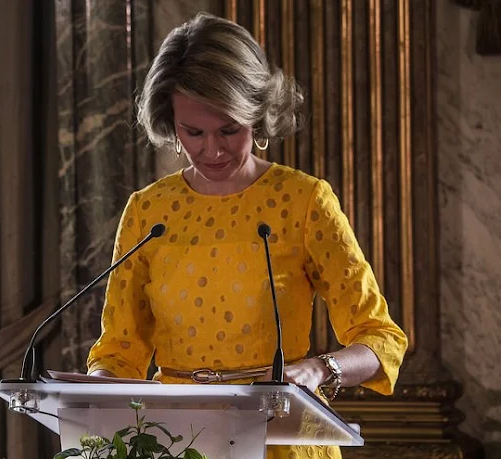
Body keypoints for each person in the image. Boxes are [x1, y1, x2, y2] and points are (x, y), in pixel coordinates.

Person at [87, 12, 408, 459]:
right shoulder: (147, 211)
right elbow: (119, 352)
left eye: (229, 129)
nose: (211, 150)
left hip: (281, 437)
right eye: (192, 131)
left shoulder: (304, 201)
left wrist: (321, 369)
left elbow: (381, 339)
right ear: (169, 121)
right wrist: (93, 393)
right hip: (175, 442)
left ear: (256, 117)